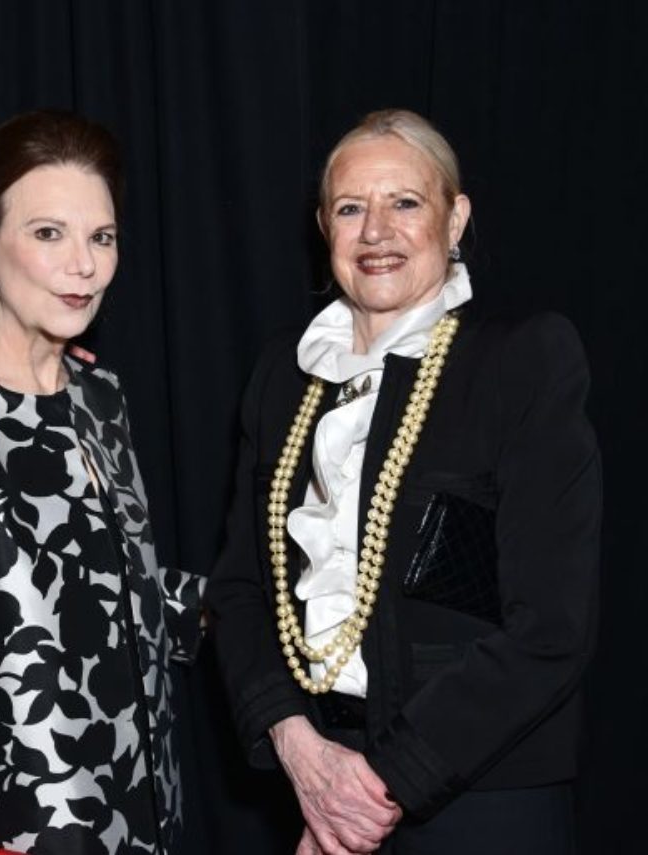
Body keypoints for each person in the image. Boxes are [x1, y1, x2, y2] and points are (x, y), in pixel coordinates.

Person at [206, 108, 601, 855]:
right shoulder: (281, 380)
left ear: (456, 220)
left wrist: (376, 788)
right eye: (352, 207)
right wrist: (302, 752)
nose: (376, 231)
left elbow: (551, 627)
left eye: (406, 203)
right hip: (316, 782)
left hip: (481, 800)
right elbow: (237, 591)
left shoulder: (522, 363)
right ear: (324, 227)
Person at [0, 111, 205, 855]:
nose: (83, 265)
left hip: (147, 816)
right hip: (24, 833)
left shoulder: (101, 398)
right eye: (48, 233)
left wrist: (252, 609)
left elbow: (116, 593)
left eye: (101, 237)